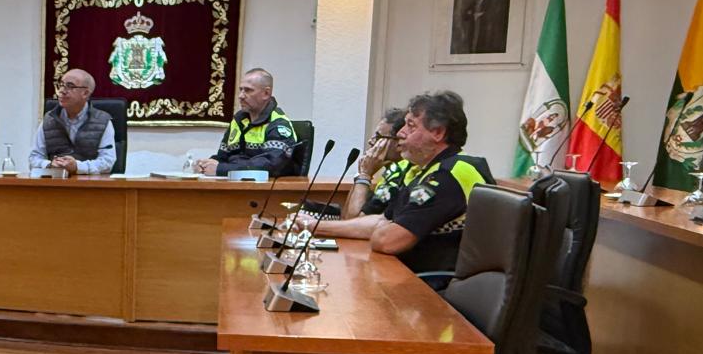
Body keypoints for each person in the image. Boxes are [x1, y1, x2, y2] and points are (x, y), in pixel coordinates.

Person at [298, 91, 486, 281]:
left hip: (438, 285)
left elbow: (388, 241)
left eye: (410, 126)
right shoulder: (426, 170)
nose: (400, 133)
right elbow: (380, 220)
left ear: (437, 133)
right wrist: (314, 226)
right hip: (414, 275)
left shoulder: (450, 174)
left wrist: (385, 227)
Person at [302, 107, 407, 221]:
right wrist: (362, 174)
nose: (371, 141)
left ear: (398, 143)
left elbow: (354, 219)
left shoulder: (400, 174)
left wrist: (365, 175)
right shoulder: (388, 172)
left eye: (378, 137)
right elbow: (346, 216)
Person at [196, 68, 299, 177]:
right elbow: (223, 157)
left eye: (248, 90)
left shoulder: (278, 124)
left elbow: (270, 166)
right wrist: (207, 164)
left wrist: (221, 169)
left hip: (264, 191)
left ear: (266, 93)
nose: (241, 96)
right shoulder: (239, 121)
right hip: (235, 185)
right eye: (240, 90)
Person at [30, 69, 116, 175]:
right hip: (55, 184)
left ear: (85, 93)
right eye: (61, 85)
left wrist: (77, 167)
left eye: (70, 86)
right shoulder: (49, 119)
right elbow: (34, 157)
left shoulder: (103, 121)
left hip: (90, 186)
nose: (62, 90)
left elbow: (107, 162)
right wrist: (49, 165)